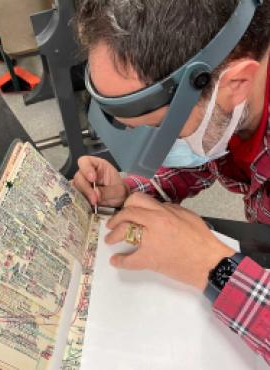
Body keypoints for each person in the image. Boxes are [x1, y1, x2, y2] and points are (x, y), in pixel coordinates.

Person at [72, 0, 270, 364]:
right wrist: (129, 190)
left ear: (238, 82)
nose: (157, 148)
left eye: (160, 130)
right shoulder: (230, 107)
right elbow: (205, 158)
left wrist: (213, 266)